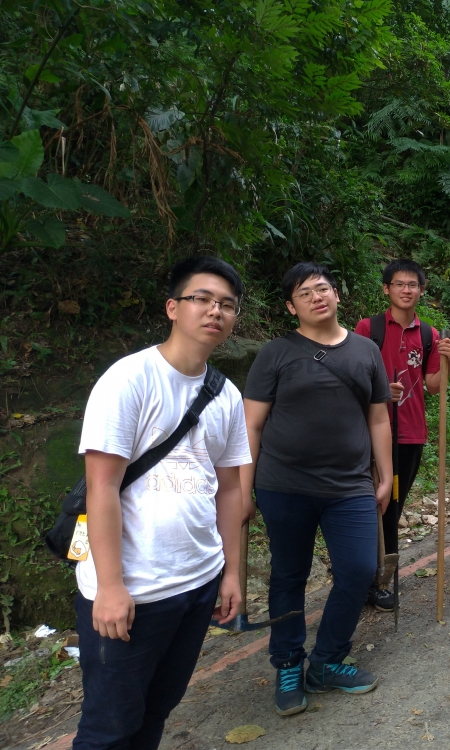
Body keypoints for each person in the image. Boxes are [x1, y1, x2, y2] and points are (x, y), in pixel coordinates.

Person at [74, 256, 250, 750]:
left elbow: (232, 488)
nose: (215, 311)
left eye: (227, 305)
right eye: (202, 299)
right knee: (109, 726)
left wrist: (232, 572)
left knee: (157, 709)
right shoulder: (129, 380)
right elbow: (102, 486)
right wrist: (110, 587)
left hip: (197, 580)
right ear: (173, 307)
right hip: (133, 592)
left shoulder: (227, 395)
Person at [242, 262, 392, 716]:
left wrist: (384, 474)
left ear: (337, 295)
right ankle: (288, 663)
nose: (316, 297)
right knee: (289, 575)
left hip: (349, 486)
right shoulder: (276, 353)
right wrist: (244, 490)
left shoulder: (366, 351)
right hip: (283, 485)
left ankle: (326, 661)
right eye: (304, 294)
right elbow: (251, 424)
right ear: (291, 307)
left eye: (322, 288)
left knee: (360, 570)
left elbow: (379, 416)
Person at [355, 259, 450, 611]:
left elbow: (432, 387)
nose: (406, 290)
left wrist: (447, 363)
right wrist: (381, 390)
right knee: (370, 506)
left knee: (391, 505)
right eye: (399, 284)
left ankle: (379, 577)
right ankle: (369, 577)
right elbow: (352, 379)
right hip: (369, 432)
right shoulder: (368, 329)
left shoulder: (428, 334)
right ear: (386, 289)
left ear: (422, 290)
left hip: (410, 434)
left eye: (413, 285)